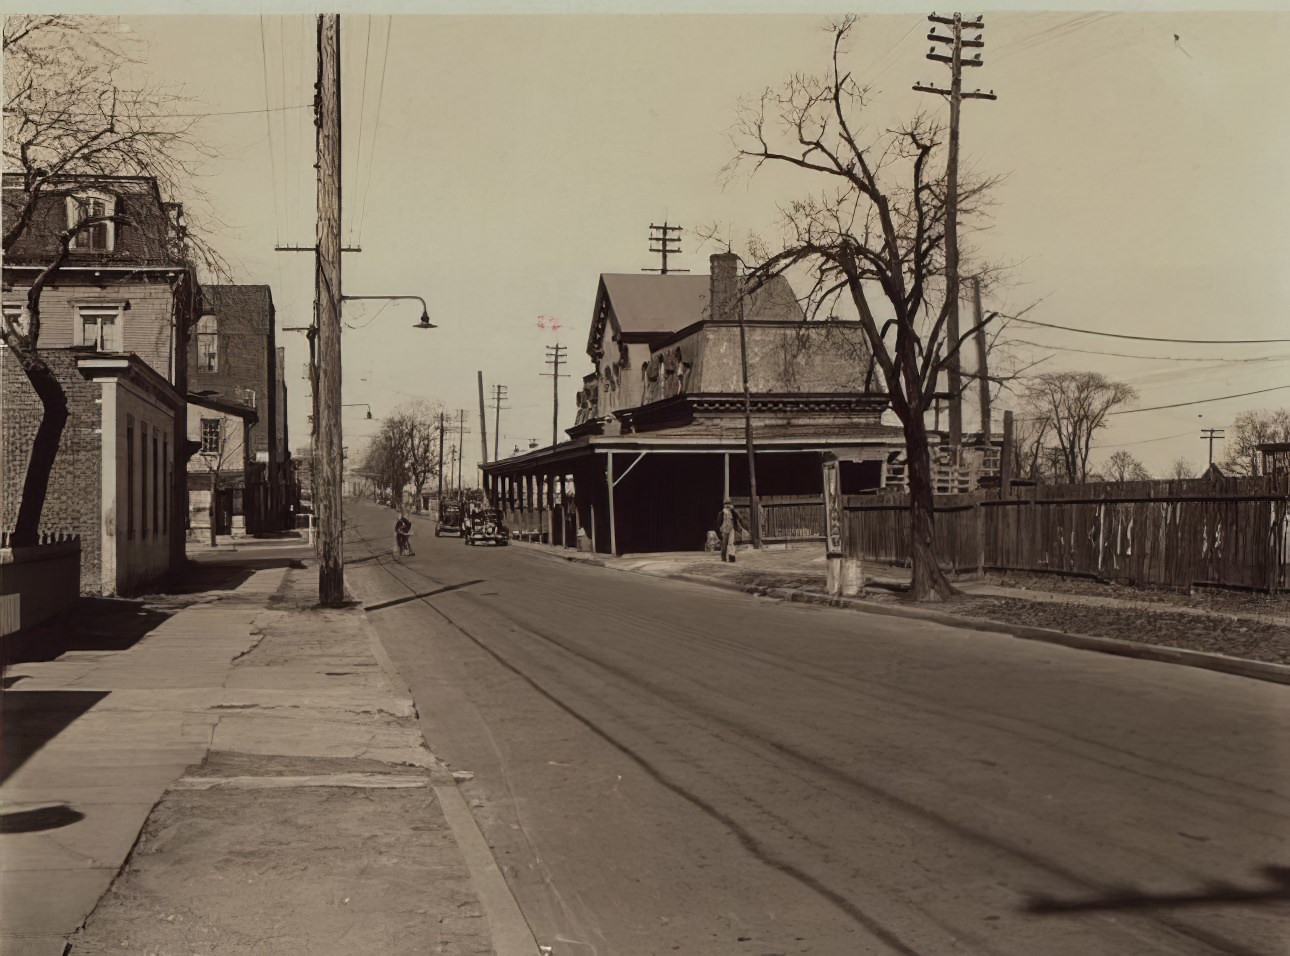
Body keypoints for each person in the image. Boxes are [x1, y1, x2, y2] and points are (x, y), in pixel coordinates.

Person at [716, 499, 746, 563]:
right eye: (726, 504)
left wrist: (733, 510)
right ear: (724, 505)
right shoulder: (721, 513)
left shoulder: (733, 512)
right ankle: (723, 557)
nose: (727, 506)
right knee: (724, 544)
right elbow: (718, 522)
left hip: (731, 529)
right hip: (724, 529)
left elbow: (739, 517)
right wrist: (719, 530)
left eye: (728, 504)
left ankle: (732, 557)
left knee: (731, 543)